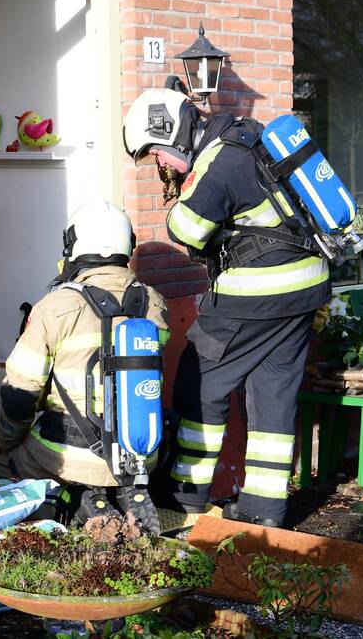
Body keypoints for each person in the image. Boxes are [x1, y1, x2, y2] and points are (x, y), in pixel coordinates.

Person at [122, 87, 331, 528]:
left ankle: (184, 496)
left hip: (258, 293)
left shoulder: (220, 161)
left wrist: (183, 197)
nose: (159, 163)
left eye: (156, 152)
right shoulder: (248, 139)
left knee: (200, 383)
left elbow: (186, 229)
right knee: (273, 395)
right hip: (305, 289)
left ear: (172, 132)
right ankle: (264, 509)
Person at [0, 199, 169, 532]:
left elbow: (19, 393)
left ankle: (72, 495)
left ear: (73, 245)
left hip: (68, 451)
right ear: (128, 244)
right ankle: (123, 489)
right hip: (140, 449)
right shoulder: (154, 302)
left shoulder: (56, 306)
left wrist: (11, 442)